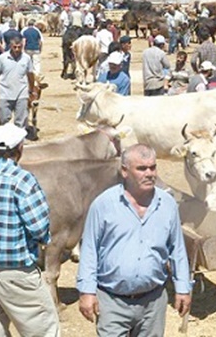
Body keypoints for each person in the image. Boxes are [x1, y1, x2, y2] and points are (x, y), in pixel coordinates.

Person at [77, 144, 191, 336]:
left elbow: (177, 250)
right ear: (124, 171)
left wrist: (182, 288)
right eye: (141, 168)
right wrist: (87, 291)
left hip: (153, 301)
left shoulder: (167, 204)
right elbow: (89, 250)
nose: (149, 173)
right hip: (112, 301)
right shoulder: (104, 204)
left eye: (153, 167)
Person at [0, 123, 59, 337]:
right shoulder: (22, 179)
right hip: (15, 269)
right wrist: (44, 240)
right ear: (20, 148)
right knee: (42, 330)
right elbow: (39, 226)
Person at [0, 36, 36, 129]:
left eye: (19, 47)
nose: (17, 49)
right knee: (3, 120)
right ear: (10, 46)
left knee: (21, 122)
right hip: (5, 94)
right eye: (14, 47)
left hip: (21, 93)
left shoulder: (26, 58)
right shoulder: (2, 58)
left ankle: (19, 142)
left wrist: (31, 90)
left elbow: (30, 75)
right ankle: (5, 140)